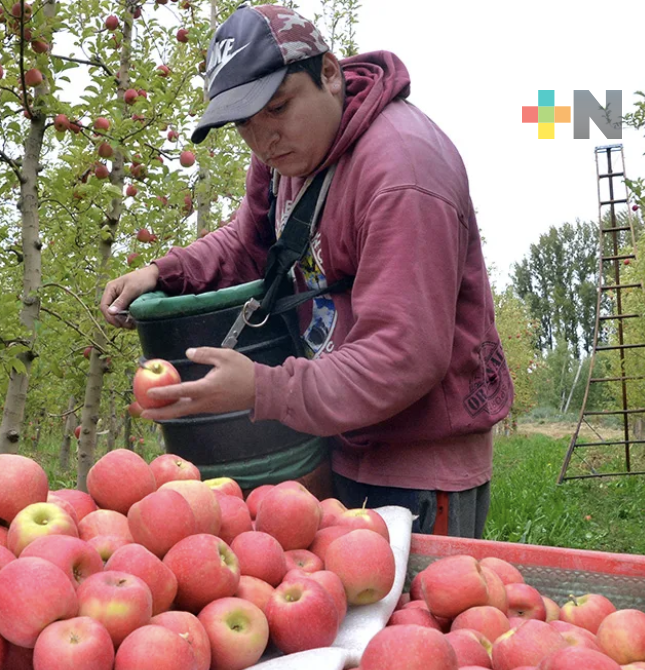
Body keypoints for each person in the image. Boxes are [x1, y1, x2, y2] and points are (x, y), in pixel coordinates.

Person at [99, 4, 512, 538]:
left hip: (417, 463)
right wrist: (166, 271)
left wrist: (263, 390)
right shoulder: (287, 157)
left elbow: (403, 355)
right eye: (245, 124)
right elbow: (250, 241)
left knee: (412, 616)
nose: (264, 138)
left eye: (278, 107)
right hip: (342, 437)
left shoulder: (403, 176)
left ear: (331, 75)